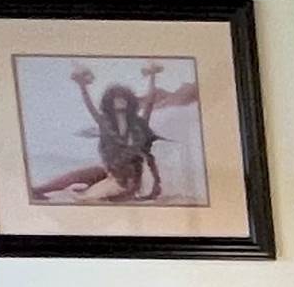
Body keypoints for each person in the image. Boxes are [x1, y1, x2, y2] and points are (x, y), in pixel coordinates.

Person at [27, 60, 199, 203]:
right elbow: (91, 108)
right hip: (113, 173)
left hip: (130, 181)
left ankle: (67, 192)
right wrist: (82, 86)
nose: (120, 102)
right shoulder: (106, 124)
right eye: (116, 99)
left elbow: (149, 104)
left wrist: (153, 77)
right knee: (91, 172)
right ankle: (40, 190)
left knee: (87, 197)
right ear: (109, 102)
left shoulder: (138, 123)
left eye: (123, 99)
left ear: (129, 101)